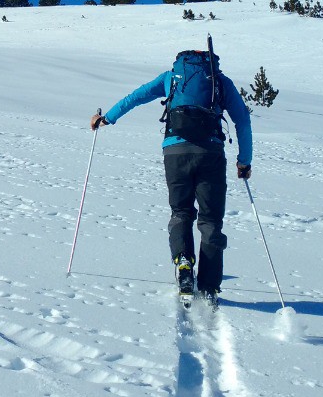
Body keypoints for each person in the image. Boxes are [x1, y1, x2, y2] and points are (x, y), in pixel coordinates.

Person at [89, 48, 253, 300]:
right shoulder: (220, 81)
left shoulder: (171, 78)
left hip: (175, 152)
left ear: (181, 61)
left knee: (181, 211)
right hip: (211, 153)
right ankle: (209, 287)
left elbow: (137, 96)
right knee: (210, 220)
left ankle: (183, 262)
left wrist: (107, 118)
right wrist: (244, 162)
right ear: (211, 62)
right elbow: (242, 120)